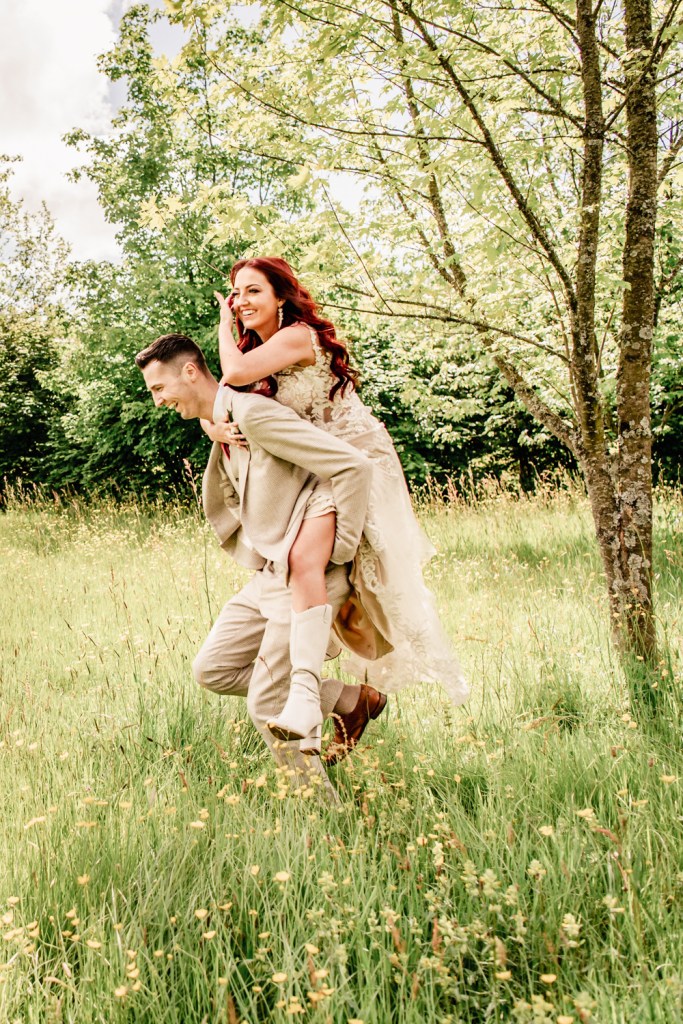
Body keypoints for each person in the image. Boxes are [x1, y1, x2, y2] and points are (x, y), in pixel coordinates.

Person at [204, 256, 468, 762]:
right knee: (303, 562)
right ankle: (330, 701)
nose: (241, 302)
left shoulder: (298, 336)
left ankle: (306, 700)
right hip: (316, 468)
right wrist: (213, 428)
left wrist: (222, 325)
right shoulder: (261, 348)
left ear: (282, 296)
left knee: (311, 561)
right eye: (235, 294)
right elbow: (224, 398)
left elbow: (233, 374)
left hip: (352, 460)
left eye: (252, 291)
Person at [135, 333, 387, 800]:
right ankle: (351, 702)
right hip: (268, 573)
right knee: (212, 669)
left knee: (267, 703)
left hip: (306, 577)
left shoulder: (254, 414)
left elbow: (354, 467)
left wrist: (341, 550)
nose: (158, 401)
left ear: (190, 372)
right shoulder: (223, 419)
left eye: (159, 388)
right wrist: (210, 427)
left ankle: (322, 815)